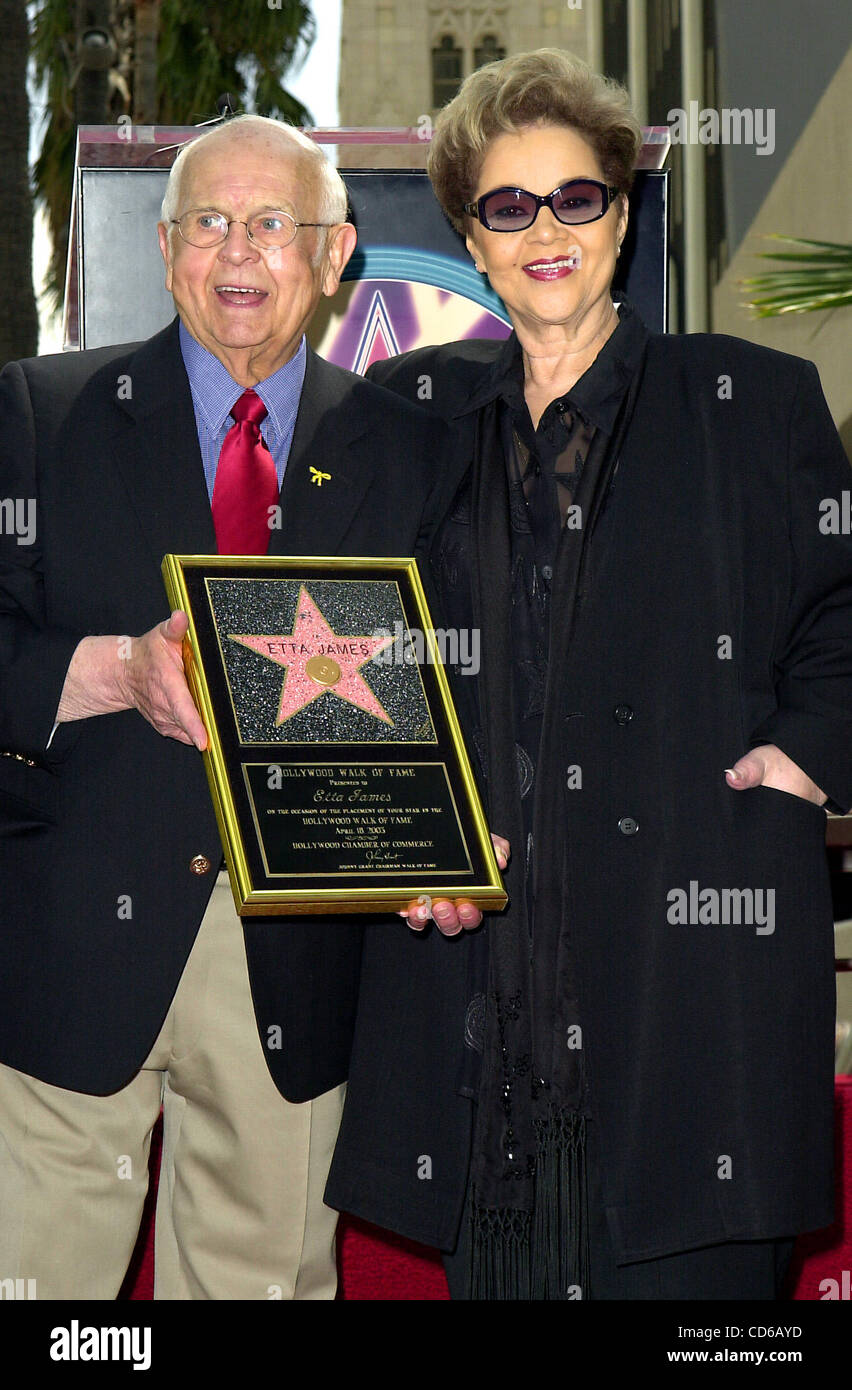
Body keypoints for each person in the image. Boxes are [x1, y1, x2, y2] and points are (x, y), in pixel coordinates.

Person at [325, 49, 852, 1300]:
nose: (546, 229)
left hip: (693, 1012)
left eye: (578, 197)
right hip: (480, 1031)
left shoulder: (752, 405)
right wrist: (402, 847)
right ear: (470, 234)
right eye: (509, 206)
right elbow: (343, 658)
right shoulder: (405, 418)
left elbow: (844, 618)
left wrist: (802, 759)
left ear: (623, 211)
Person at [0, 114, 465, 1300]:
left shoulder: (411, 448)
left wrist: (447, 838)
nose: (239, 250)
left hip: (298, 961)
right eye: (209, 221)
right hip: (71, 963)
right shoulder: (40, 416)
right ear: (164, 248)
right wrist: (112, 671)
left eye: (273, 223)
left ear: (335, 251)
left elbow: (460, 675)